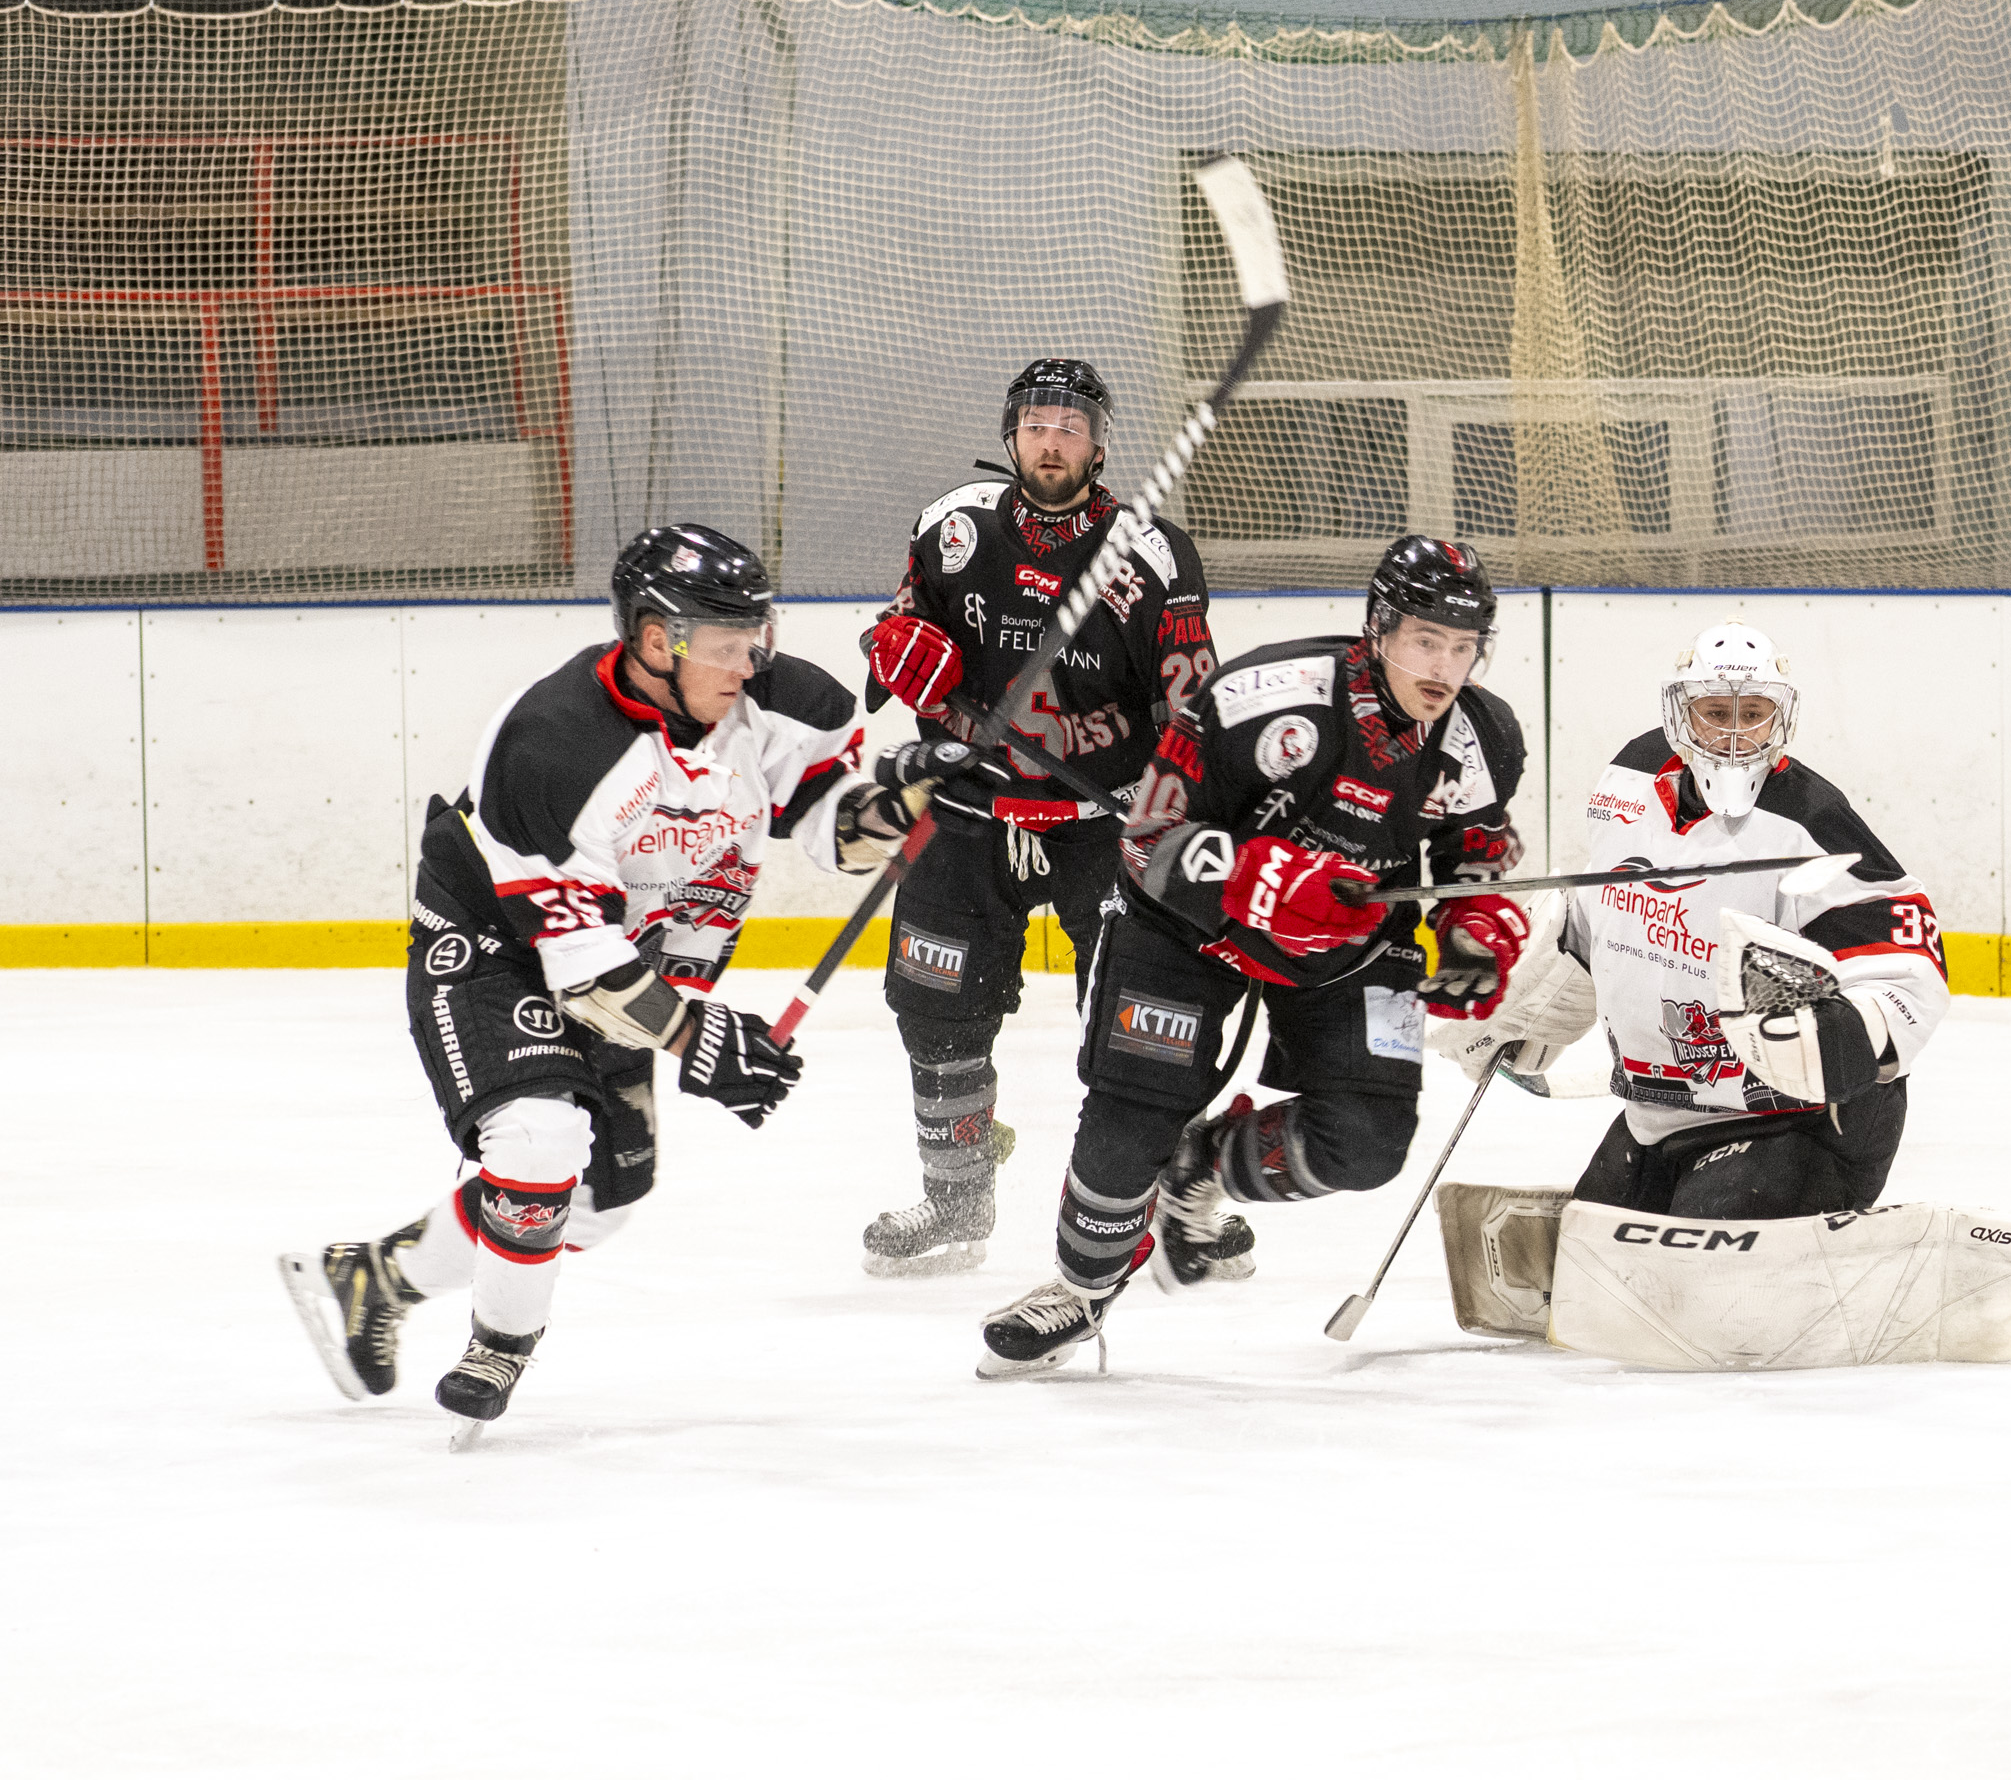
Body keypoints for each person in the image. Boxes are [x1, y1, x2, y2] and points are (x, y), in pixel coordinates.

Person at [278, 525, 965, 1434]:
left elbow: (830, 825)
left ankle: (375, 1278)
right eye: (726, 645)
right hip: (495, 942)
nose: (750, 661)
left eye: (755, 634)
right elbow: (586, 977)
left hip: (625, 948)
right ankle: (501, 1347)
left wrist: (900, 797)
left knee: (598, 1204)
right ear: (654, 641)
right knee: (537, 1143)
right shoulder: (552, 746)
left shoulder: (778, 704)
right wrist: (700, 1038)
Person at [974, 535, 1530, 1374]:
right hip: (1186, 929)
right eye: (1425, 640)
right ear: (1378, 629)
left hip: (1343, 947)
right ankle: (1080, 1289)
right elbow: (1147, 841)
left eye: (1461, 646)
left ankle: (1202, 1166)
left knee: (1367, 1144)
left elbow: (1472, 855)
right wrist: (1261, 879)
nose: (1443, 667)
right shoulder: (1259, 699)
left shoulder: (1481, 737)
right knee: (1131, 1118)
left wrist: (1472, 933)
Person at [855, 357, 1213, 1275]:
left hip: (1103, 825)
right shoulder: (953, 528)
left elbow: (1192, 706)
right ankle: (956, 1200)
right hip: (969, 812)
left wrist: (1171, 805)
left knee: (1143, 1023)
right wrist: (897, 647)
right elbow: (900, 632)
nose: (1052, 441)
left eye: (1072, 427)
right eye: (1037, 424)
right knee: (935, 1013)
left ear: (1099, 445)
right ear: (1012, 434)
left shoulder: (1151, 552)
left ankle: (1171, 1199)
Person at [1439, 620, 1948, 1219]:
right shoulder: (1628, 779)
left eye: (1753, 712)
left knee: (1689, 1284)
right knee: (1590, 1277)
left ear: (1779, 717)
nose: (1734, 734)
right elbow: (1598, 913)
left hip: (1793, 1125)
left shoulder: (1810, 820)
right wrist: (1532, 1012)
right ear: (1680, 713)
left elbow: (1911, 961)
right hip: (1658, 1115)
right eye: (1715, 712)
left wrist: (1848, 1035)